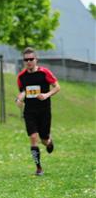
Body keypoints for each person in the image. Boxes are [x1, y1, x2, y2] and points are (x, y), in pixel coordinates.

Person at [16, 47, 60, 176]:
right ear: (24, 61)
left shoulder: (44, 72)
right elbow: (23, 91)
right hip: (29, 112)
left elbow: (57, 87)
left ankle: (49, 142)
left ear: (36, 60)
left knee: (44, 139)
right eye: (26, 60)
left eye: (31, 59)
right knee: (33, 137)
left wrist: (46, 95)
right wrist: (19, 99)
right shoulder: (21, 76)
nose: (29, 62)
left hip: (44, 111)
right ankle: (38, 168)